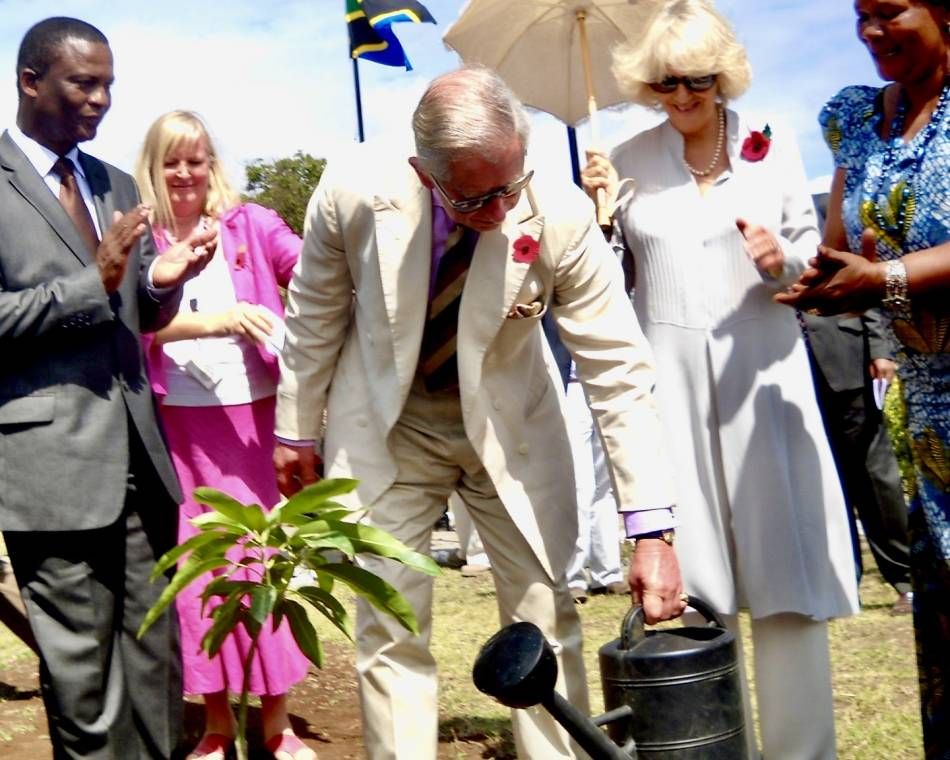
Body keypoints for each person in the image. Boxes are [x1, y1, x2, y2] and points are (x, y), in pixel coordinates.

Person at [274, 66, 685, 760]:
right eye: (476, 199)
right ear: (422, 171)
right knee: (388, 623)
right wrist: (294, 427)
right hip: (390, 425)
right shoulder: (350, 192)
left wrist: (650, 528)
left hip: (513, 429)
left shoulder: (560, 213)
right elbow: (313, 311)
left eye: (511, 187)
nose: (501, 212)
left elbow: (617, 368)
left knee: (544, 617)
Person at [581, 1, 859, 757]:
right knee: (694, 589)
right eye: (666, 82)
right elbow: (599, 284)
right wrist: (596, 215)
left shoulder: (774, 144)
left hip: (764, 374)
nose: (682, 97)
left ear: (723, 73)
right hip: (666, 382)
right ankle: (708, 744)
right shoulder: (626, 159)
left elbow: (816, 270)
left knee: (785, 584)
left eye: (697, 79)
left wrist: (783, 262)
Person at [0, 17, 212, 758]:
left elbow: (136, 309)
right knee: (85, 686)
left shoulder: (115, 183)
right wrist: (93, 284)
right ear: (30, 80)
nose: (101, 101)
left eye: (108, 86)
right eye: (83, 83)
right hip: (49, 473)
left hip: (140, 465)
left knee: (157, 668)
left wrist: (161, 282)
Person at [775, 0, 950, 753]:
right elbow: (843, 243)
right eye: (859, 14)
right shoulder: (857, 118)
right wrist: (806, 273)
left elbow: (879, 273)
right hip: (928, 410)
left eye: (889, 11)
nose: (870, 32)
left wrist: (884, 278)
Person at [134, 111, 314, 760]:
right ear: (153, 168)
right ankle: (214, 723)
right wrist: (214, 321)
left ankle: (277, 724)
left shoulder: (251, 224)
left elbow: (312, 267)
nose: (184, 173)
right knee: (201, 571)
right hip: (178, 426)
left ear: (213, 163)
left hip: (253, 421)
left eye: (196, 159)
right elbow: (135, 325)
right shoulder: (141, 239)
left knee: (259, 563)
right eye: (171, 161)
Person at [801, 310, 913, 614]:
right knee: (821, 478)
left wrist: (880, 351)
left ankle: (906, 579)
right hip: (791, 372)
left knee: (876, 475)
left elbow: (867, 296)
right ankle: (844, 584)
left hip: (848, 358)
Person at [564, 365, 626, 604]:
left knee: (606, 484)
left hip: (607, 382)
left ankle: (608, 573)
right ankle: (573, 578)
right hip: (570, 385)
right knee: (578, 486)